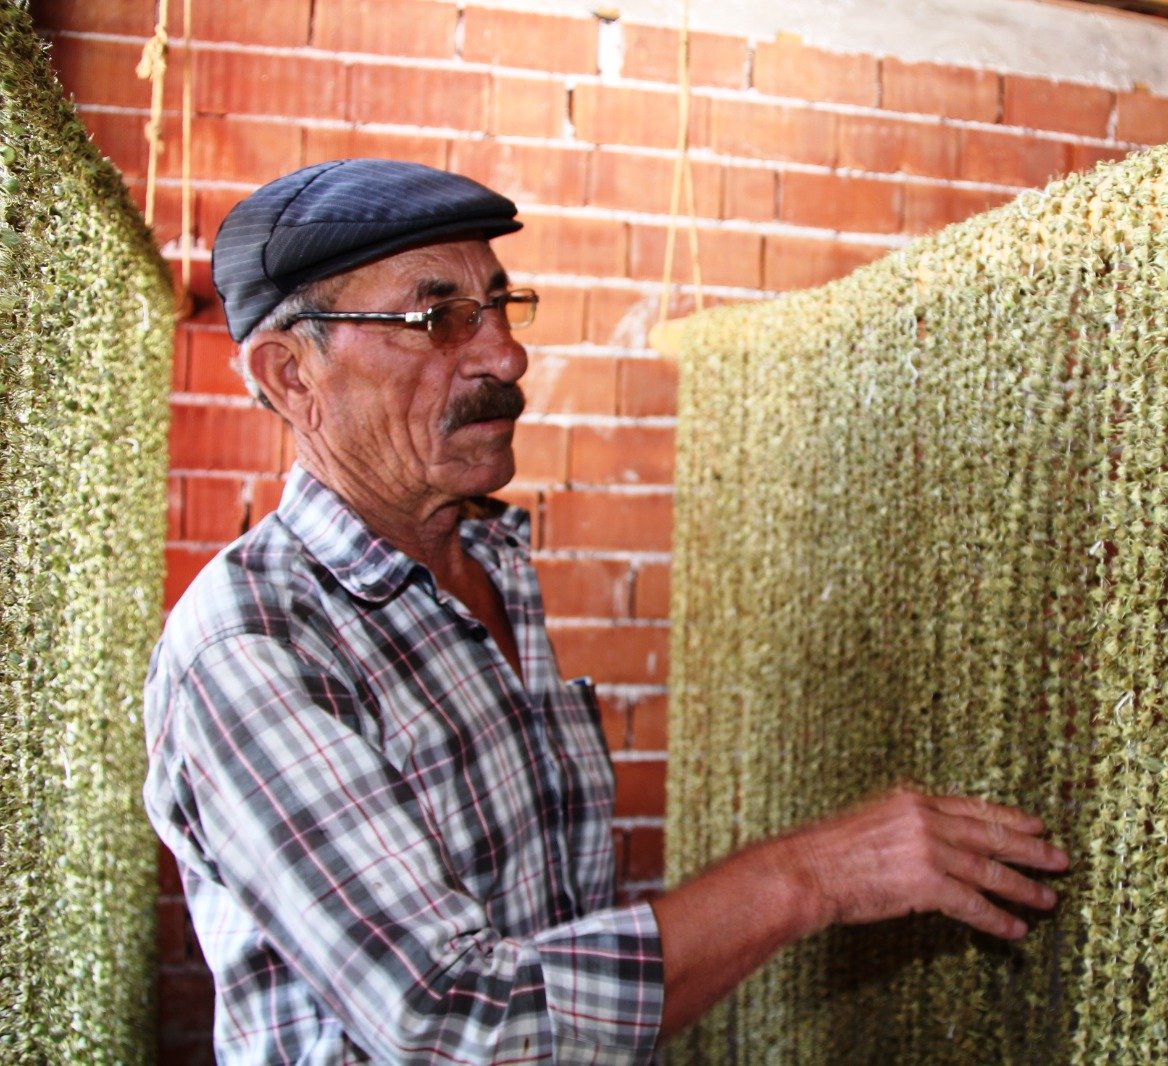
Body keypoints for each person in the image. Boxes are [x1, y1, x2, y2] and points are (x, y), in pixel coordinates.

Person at [143, 159, 1068, 1064]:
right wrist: (812, 876)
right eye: (436, 318)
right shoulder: (251, 647)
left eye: (501, 305)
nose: (507, 355)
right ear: (290, 373)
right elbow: (460, 1026)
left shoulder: (486, 559)